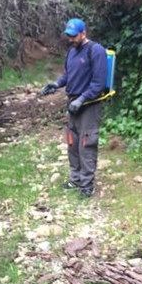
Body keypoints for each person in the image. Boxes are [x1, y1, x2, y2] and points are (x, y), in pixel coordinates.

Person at [41, 18, 107, 198]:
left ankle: (87, 185)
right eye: (68, 36)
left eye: (73, 36)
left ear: (83, 33)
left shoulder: (96, 51)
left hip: (88, 105)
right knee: (72, 142)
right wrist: (55, 84)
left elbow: (98, 83)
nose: (70, 39)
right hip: (72, 102)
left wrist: (82, 99)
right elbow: (68, 75)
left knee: (87, 143)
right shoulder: (71, 51)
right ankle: (76, 179)